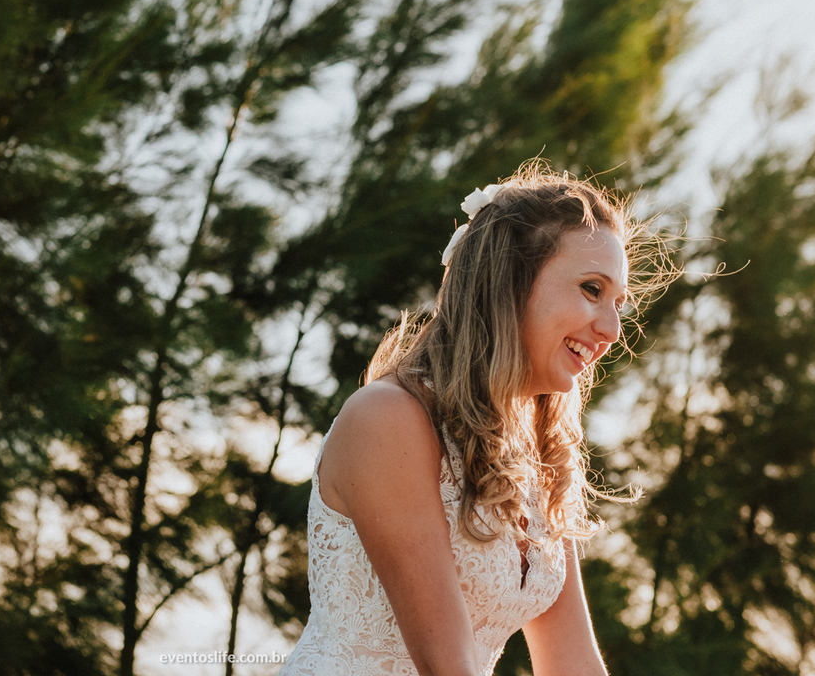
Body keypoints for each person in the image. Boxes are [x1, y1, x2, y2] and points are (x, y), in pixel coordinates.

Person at [280, 166, 661, 676]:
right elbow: (448, 665)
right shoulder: (387, 418)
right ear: (507, 282)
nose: (613, 329)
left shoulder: (538, 456)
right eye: (592, 289)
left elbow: (573, 664)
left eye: (619, 303)